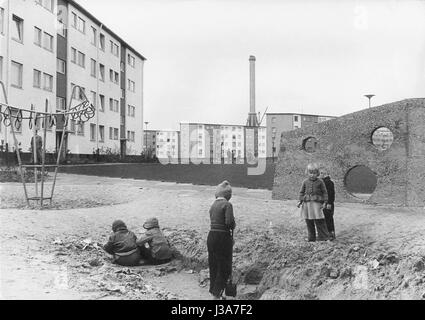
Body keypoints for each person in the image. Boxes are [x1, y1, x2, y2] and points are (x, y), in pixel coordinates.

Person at [207, 180, 236, 300]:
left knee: (214, 264)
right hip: (222, 237)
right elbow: (229, 222)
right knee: (224, 266)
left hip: (211, 236)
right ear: (228, 195)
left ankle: (216, 291)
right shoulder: (227, 205)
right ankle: (216, 294)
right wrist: (233, 225)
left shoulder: (213, 205)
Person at [298, 163, 330, 242]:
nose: (312, 175)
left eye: (314, 173)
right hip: (307, 205)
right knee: (309, 221)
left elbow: (325, 192)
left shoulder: (320, 182)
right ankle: (311, 238)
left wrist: (325, 202)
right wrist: (300, 201)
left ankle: (324, 237)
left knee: (319, 221)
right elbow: (301, 192)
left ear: (317, 173)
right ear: (307, 173)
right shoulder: (305, 182)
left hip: (316, 204)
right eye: (310, 173)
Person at [320, 168, 336, 240]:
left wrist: (329, 203)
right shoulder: (323, 182)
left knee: (328, 219)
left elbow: (331, 194)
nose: (319, 175)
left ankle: (331, 234)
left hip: (328, 204)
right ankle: (327, 234)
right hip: (324, 204)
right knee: (326, 219)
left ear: (324, 174)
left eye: (320, 173)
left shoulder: (329, 182)